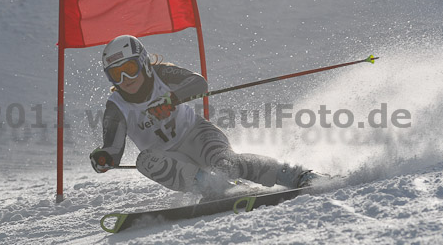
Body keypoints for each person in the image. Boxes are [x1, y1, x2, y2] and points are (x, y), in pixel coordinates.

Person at [90, 35, 317, 199]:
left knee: (227, 163)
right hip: (171, 158)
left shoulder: (161, 74)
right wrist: (103, 159)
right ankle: (215, 189)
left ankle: (298, 176)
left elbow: (199, 83)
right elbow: (113, 150)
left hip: (197, 135)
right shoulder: (116, 107)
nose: (125, 78)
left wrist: (170, 99)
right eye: (116, 74)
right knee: (145, 161)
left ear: (144, 63)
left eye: (130, 68)